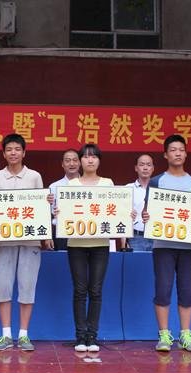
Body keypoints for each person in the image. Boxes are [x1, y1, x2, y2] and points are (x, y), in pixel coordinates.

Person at [141, 134, 191, 353]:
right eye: (173, 150)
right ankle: (164, 335)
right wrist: (147, 216)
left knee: (187, 290)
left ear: (186, 154)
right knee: (163, 289)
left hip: (189, 247)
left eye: (181, 150)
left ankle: (186, 334)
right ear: (165, 155)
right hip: (163, 245)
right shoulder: (157, 181)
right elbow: (149, 211)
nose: (177, 153)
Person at [0, 134, 51, 352]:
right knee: (3, 286)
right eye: (9, 149)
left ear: (24, 152)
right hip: (3, 240)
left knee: (27, 286)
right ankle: (6, 334)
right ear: (4, 153)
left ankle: (24, 335)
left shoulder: (34, 176)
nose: (13, 153)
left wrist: (47, 231)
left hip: (30, 240)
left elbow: (41, 208)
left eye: (17, 149)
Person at [59, 144, 123, 353]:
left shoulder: (108, 183)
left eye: (94, 156)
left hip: (101, 244)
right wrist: (59, 212)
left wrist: (126, 215)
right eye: (85, 157)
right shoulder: (71, 185)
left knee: (95, 290)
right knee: (79, 290)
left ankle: (92, 336)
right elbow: (64, 213)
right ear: (80, 161)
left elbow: (116, 210)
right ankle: (80, 336)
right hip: (76, 244)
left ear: (99, 160)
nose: (90, 160)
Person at [48, 149, 80, 251]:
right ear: (62, 164)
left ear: (80, 163)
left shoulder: (88, 186)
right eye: (67, 160)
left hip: (83, 231)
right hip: (60, 233)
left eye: (75, 160)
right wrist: (48, 237)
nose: (72, 164)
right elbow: (48, 215)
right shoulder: (54, 187)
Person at [121, 153, 154, 252]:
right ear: (136, 168)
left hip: (157, 237)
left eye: (148, 165)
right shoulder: (128, 189)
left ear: (153, 168)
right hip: (135, 237)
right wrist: (123, 244)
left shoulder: (159, 189)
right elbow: (122, 217)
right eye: (142, 164)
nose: (145, 168)